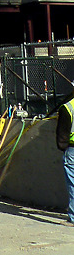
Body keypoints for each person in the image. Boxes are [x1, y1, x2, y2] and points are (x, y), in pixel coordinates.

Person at [56, 92, 74, 224]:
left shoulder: (68, 107)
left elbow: (62, 132)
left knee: (73, 183)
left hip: (72, 149)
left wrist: (63, 146)